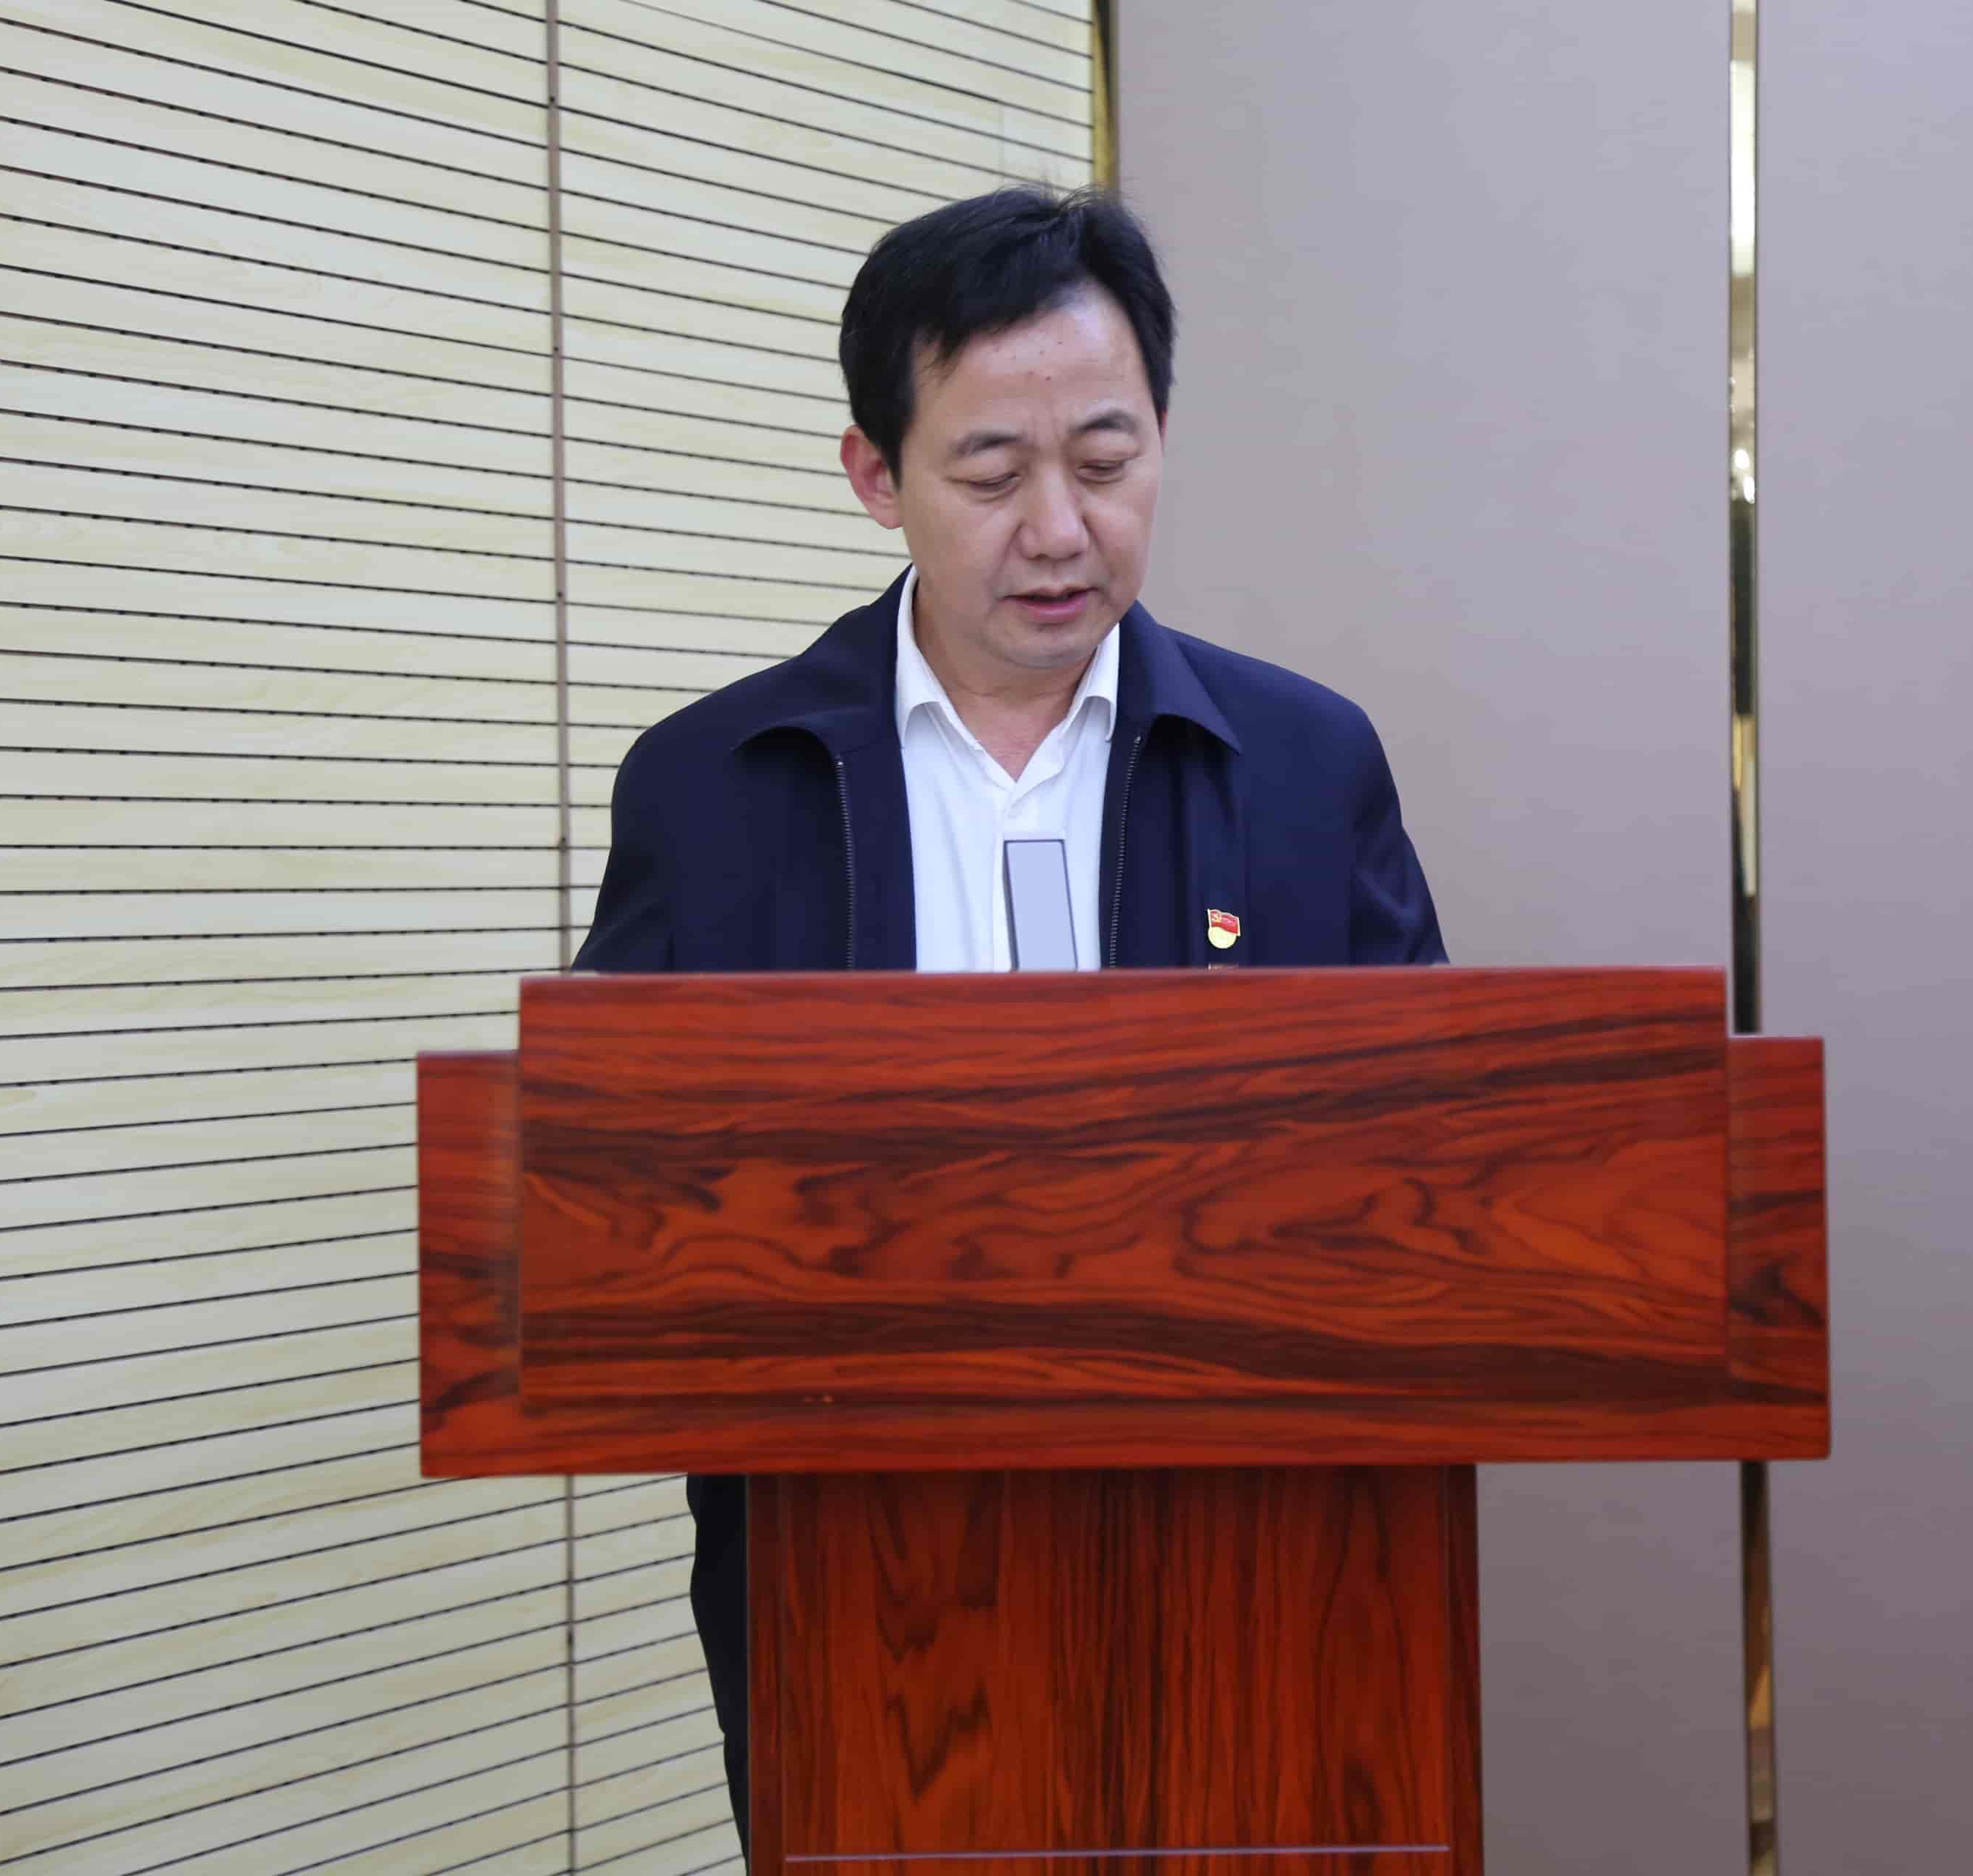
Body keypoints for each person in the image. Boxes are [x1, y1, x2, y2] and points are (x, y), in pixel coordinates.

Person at [570, 186, 1445, 1838]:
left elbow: (1437, 1178)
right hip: (856, 1581)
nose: (1059, 529)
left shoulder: (1305, 764)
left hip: (1253, 1565)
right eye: (990, 474)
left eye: (1108, 462)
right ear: (875, 474)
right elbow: (620, 1210)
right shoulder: (715, 785)